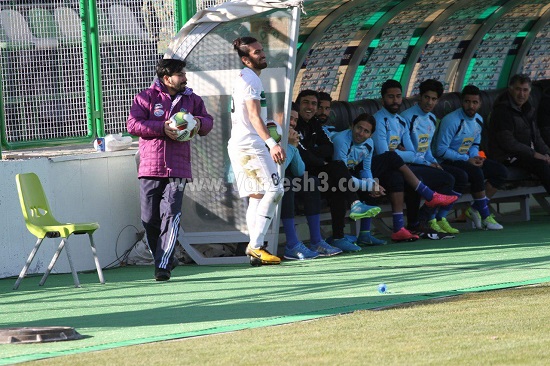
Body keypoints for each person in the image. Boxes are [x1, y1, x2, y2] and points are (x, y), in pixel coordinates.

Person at [127, 58, 213, 281]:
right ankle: (165, 257)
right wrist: (162, 127)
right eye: (181, 75)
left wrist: (197, 123)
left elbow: (208, 122)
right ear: (167, 78)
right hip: (150, 167)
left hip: (178, 167)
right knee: (149, 219)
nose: (185, 78)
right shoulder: (145, 97)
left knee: (171, 214)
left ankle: (162, 265)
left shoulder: (192, 99)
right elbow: (133, 125)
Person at [294, 89, 381, 251]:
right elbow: (301, 154)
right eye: (306, 102)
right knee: (338, 170)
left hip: (318, 170)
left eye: (314, 104)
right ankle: (354, 206)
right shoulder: (293, 122)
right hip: (299, 174)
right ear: (298, 104)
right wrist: (318, 159)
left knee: (339, 183)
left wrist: (313, 155)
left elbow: (328, 147)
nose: (310, 107)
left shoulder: (314, 123)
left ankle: (339, 237)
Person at [372, 80, 457, 240]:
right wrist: (399, 152)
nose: (395, 100)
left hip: (403, 165)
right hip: (382, 170)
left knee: (447, 178)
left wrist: (396, 152)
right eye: (391, 97)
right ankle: (414, 224)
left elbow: (412, 152)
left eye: (398, 96)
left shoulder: (400, 121)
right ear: (382, 99)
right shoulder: (378, 120)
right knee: (409, 176)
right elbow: (384, 155)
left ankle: (420, 222)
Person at [227, 36, 286, 265]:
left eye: (262, 50)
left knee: (257, 196)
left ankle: (255, 251)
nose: (262, 54)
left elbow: (254, 115)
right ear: (245, 59)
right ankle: (257, 245)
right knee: (276, 189)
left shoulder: (245, 77)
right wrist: (272, 143)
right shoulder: (250, 80)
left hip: (240, 144)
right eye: (255, 52)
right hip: (251, 145)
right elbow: (252, 116)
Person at [434, 85, 508, 230]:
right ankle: (486, 216)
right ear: (462, 102)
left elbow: (475, 144)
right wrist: (466, 159)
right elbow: (440, 151)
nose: (471, 105)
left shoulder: (478, 120)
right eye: (467, 101)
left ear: (480, 103)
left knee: (500, 171)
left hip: (467, 159)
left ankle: (475, 208)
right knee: (475, 172)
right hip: (448, 161)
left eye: (475, 102)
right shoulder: (451, 120)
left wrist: (475, 156)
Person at [400, 79, 466, 235]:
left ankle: (432, 218)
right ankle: (421, 220)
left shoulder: (431, 119)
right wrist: (428, 164)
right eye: (426, 97)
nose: (429, 102)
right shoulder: (407, 118)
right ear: (419, 97)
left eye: (434, 99)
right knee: (446, 179)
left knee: (458, 176)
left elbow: (427, 148)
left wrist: (434, 163)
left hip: (424, 163)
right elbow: (407, 151)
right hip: (409, 165)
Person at [280, 103, 342, 260]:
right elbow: (277, 171)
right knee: (286, 183)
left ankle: (316, 241)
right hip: (265, 182)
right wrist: (290, 146)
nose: (293, 123)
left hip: (286, 179)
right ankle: (292, 245)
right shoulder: (272, 135)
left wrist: (293, 146)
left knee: (311, 181)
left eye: (295, 119)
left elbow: (299, 171)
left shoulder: (292, 138)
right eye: (290, 118)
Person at [488, 74, 550, 196]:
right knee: (541, 166)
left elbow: (536, 136)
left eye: (525, 90)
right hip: (505, 156)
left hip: (522, 154)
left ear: (529, 91)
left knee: (545, 162)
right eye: (518, 89)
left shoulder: (528, 109)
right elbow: (508, 143)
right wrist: (535, 154)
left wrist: (547, 153)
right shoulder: (502, 110)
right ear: (510, 89)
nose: (521, 94)